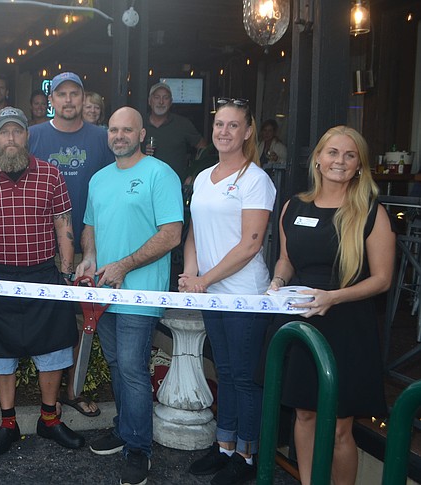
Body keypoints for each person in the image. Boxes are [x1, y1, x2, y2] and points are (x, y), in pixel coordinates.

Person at [269, 126, 393, 485]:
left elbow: (382, 278)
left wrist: (333, 297)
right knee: (305, 416)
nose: (340, 161)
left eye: (350, 155)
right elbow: (287, 260)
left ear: (359, 166)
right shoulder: (295, 205)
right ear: (318, 160)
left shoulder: (371, 212)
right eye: (333, 153)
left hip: (348, 326)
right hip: (304, 324)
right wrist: (278, 281)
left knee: (340, 427)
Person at [0, 107, 84, 455]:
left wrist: (65, 272)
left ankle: (49, 420)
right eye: (5, 133)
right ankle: (8, 424)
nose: (12, 138)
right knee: (0, 353)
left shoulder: (51, 175)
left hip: (44, 275)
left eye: (18, 132)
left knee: (53, 349)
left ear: (27, 137)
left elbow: (64, 224)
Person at [79, 107, 183, 485]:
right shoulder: (99, 179)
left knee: (133, 368)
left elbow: (171, 234)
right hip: (104, 292)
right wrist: (89, 258)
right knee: (117, 365)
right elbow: (90, 225)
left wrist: (123, 265)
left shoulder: (160, 174)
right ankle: (124, 429)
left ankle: (139, 448)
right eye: (113, 130)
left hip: (140, 294)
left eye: (127, 130)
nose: (119, 136)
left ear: (142, 135)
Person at [178, 97, 276, 485]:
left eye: (234, 125)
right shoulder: (204, 178)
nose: (224, 131)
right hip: (211, 293)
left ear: (248, 131)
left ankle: (247, 455)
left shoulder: (256, 180)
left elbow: (251, 244)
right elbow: (194, 235)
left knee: (243, 377)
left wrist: (206, 278)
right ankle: (224, 447)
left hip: (243, 294)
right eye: (220, 124)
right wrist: (190, 274)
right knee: (225, 369)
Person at [29, 71, 113, 417]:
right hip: (40, 248)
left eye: (74, 94)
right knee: (46, 321)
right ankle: (46, 396)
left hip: (88, 248)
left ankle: (72, 390)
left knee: (83, 325)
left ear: (83, 99)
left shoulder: (104, 138)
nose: (67, 100)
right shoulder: (32, 135)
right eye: (61, 94)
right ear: (51, 99)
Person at [144, 82, 207, 181]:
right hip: (144, 183)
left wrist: (193, 173)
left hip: (175, 184)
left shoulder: (182, 124)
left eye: (165, 98)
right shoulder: (139, 124)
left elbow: (203, 147)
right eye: (157, 97)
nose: (161, 102)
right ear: (149, 101)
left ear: (171, 102)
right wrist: (142, 151)